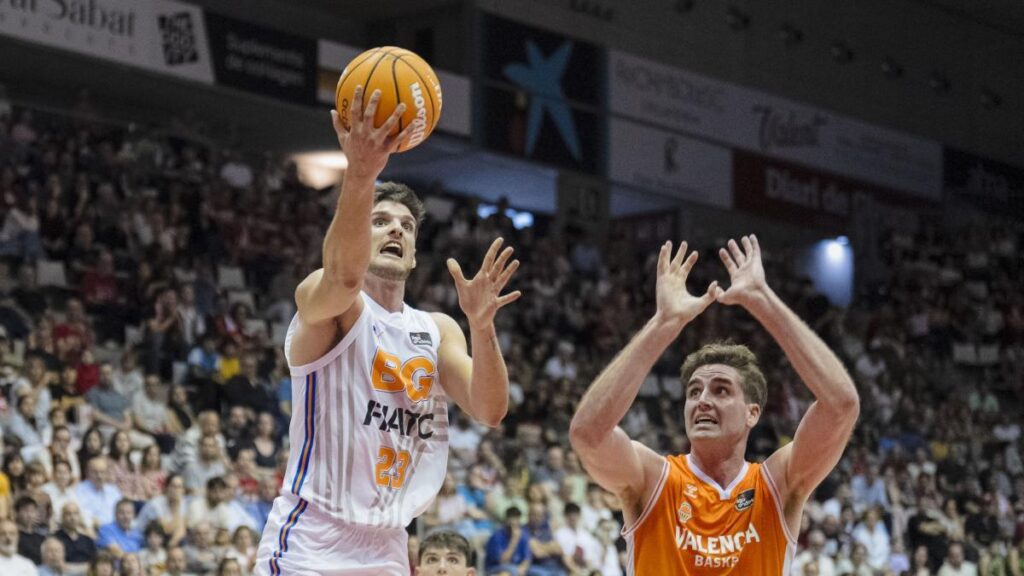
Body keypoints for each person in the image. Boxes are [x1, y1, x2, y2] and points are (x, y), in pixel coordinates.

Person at [254, 86, 521, 576]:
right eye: (379, 221)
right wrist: (361, 174)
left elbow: (490, 409)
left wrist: (482, 328)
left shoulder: (437, 329)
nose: (396, 230)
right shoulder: (328, 298)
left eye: (406, 226)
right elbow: (344, 277)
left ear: (416, 253)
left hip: (388, 547)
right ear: (359, 232)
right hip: (311, 539)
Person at [569, 237, 860, 573]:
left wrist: (762, 300)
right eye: (694, 392)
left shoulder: (776, 485)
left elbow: (841, 405)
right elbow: (587, 434)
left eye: (721, 390)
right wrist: (663, 325)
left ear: (753, 412)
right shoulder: (653, 480)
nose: (702, 401)